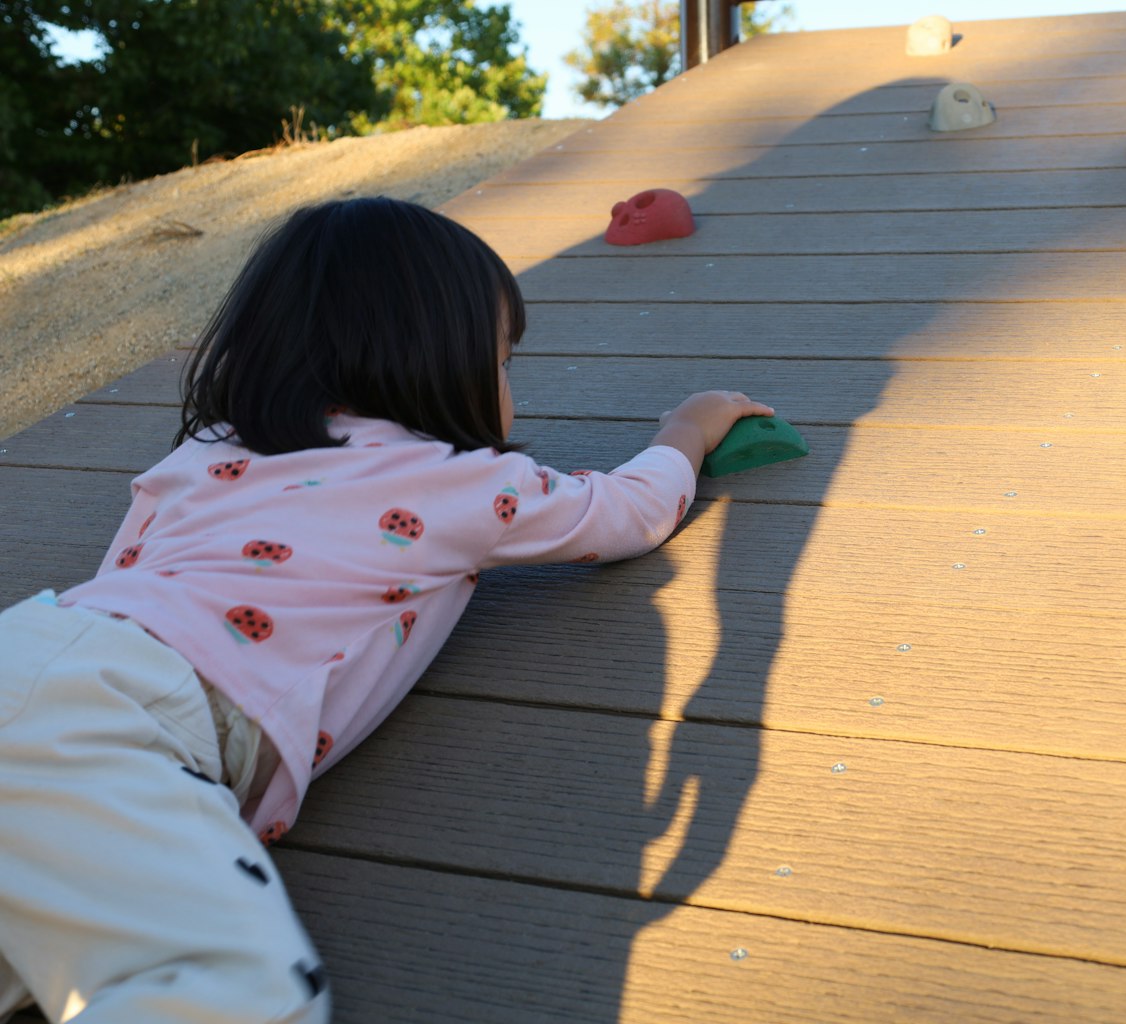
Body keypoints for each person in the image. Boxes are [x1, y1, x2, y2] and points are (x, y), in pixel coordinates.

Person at [0, 197, 774, 1023]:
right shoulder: (461, 482)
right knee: (239, 998)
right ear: (435, 360)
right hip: (127, 722)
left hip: (43, 641)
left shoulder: (211, 446)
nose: (508, 386)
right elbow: (627, 514)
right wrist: (685, 429)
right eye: (503, 361)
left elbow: (126, 572)